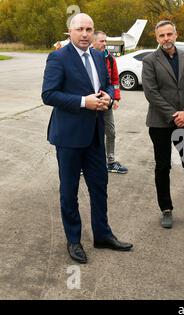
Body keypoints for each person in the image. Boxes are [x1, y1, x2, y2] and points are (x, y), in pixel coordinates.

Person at [41, 13, 133, 264]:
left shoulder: (97, 56)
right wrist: (84, 102)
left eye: (89, 29)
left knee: (99, 186)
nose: (85, 34)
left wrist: (108, 98)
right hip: (69, 137)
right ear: (69, 32)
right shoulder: (58, 57)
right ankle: (74, 240)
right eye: (80, 29)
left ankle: (102, 235)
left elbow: (106, 85)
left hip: (94, 134)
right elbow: (48, 94)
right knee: (69, 191)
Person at [142, 20, 184, 231]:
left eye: (169, 34)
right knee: (163, 166)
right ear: (156, 38)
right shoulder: (149, 61)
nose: (166, 38)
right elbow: (151, 93)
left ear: (176, 34)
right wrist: (174, 115)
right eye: (162, 35)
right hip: (160, 123)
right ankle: (166, 209)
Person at [92, 31, 128, 174]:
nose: (105, 44)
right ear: (93, 42)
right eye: (101, 41)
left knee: (110, 132)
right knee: (90, 134)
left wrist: (115, 99)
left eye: (105, 41)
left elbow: (114, 81)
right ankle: (84, 164)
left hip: (106, 103)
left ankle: (111, 162)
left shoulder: (111, 59)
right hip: (90, 103)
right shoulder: (86, 58)